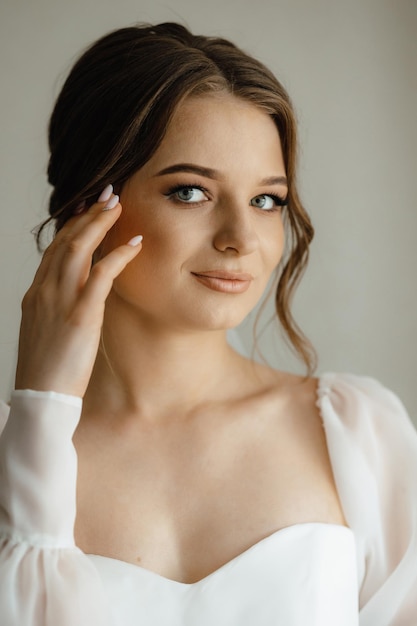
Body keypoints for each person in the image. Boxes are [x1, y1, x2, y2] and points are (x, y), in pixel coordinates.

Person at [0, 22, 416, 626]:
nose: (241, 239)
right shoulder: (14, 452)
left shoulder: (360, 437)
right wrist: (40, 414)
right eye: (191, 192)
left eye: (267, 200)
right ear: (88, 202)